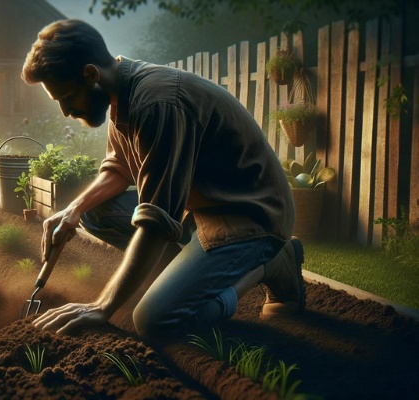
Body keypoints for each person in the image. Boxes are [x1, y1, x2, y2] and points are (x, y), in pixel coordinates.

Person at [20, 19, 305, 337]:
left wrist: (103, 306)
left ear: (90, 75)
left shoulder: (157, 104)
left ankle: (269, 264)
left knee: (155, 320)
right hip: (201, 210)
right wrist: (72, 211)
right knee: (91, 211)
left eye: (68, 96)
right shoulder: (122, 93)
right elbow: (119, 169)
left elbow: (157, 221)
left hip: (248, 218)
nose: (65, 111)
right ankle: (178, 280)